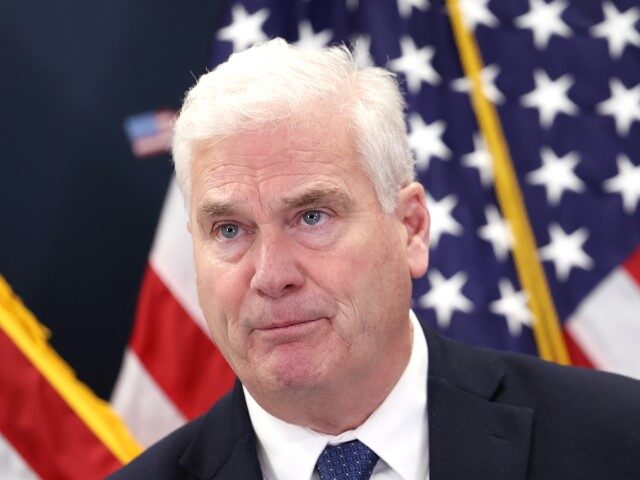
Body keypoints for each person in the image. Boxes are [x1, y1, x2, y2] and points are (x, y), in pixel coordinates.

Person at [111, 39, 640, 480]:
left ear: (410, 227)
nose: (271, 276)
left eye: (312, 216)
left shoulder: (618, 440)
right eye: (229, 230)